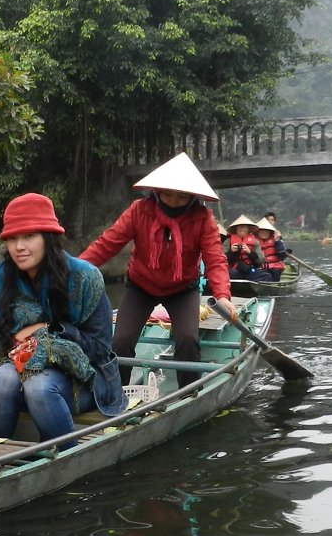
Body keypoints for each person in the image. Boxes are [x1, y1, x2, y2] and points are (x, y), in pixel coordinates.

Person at [0, 193, 127, 448]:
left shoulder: (85, 278)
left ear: (48, 238)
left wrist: (49, 333)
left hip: (87, 380)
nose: (19, 247)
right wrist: (32, 357)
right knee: (2, 380)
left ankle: (63, 460)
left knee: (39, 386)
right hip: (22, 373)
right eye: (12, 238)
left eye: (29, 236)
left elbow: (101, 349)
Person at [78, 152, 234, 389]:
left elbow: (215, 260)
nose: (173, 201)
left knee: (188, 340)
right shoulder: (139, 210)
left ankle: (190, 393)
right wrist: (75, 270)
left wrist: (223, 296)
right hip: (140, 285)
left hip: (183, 288)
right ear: (157, 191)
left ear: (192, 196)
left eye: (181, 196)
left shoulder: (203, 219)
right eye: (168, 194)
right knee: (120, 341)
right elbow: (107, 244)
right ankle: (116, 393)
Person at [225, 214, 272, 281]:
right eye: (240, 227)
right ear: (236, 228)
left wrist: (250, 253)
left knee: (267, 276)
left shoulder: (255, 242)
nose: (242, 229)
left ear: (248, 229)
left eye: (244, 227)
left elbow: (260, 261)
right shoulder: (228, 242)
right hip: (235, 271)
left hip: (250, 270)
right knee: (231, 273)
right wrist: (231, 252)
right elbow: (222, 259)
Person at [254, 217, 287, 281]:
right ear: (257, 231)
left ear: (270, 232)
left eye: (266, 230)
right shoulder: (253, 240)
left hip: (274, 266)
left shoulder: (276, 239)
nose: (264, 232)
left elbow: (282, 256)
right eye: (261, 230)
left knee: (275, 271)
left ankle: (273, 287)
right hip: (259, 266)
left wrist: (277, 241)